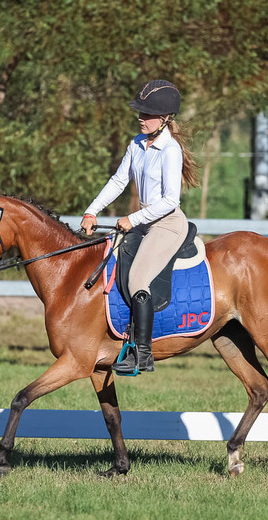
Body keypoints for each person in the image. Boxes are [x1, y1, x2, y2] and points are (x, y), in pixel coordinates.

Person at [81, 79, 200, 374]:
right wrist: (91, 211)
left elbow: (170, 200)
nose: (140, 118)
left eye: (147, 115)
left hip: (167, 223)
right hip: (146, 221)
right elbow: (119, 181)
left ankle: (141, 353)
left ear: (165, 119)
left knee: (138, 280)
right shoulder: (136, 144)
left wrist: (132, 219)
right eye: (140, 113)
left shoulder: (170, 150)